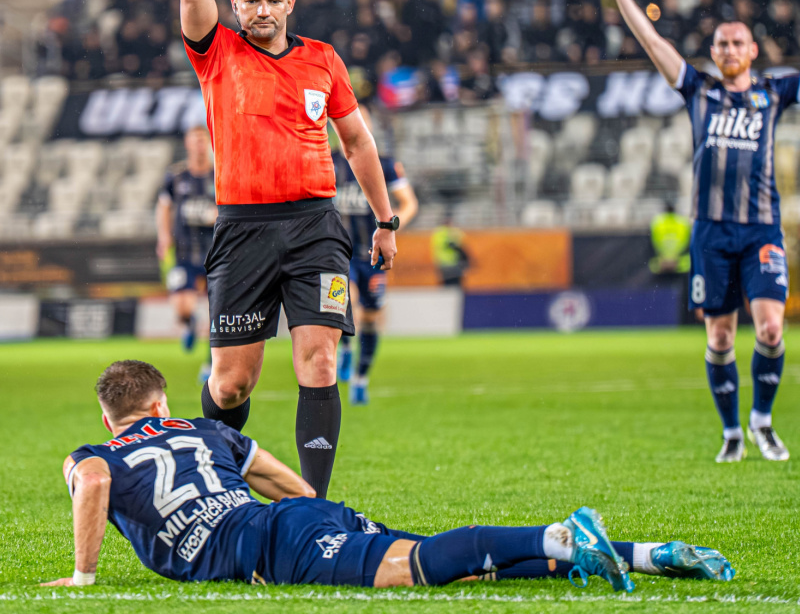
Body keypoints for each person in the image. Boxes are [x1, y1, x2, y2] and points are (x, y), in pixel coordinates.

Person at [43, 360, 735, 591]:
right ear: (162, 404)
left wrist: (83, 577)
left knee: (417, 569)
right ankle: (641, 557)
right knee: (462, 568)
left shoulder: (95, 453)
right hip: (289, 521)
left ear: (112, 421)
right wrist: (318, 519)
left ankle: (559, 538)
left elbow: (95, 485)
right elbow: (296, 486)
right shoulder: (204, 429)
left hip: (266, 547)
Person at [178, 0, 398, 499]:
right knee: (231, 385)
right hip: (243, 229)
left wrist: (384, 221)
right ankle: (221, 489)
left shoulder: (322, 61)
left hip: (315, 227)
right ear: (237, 4)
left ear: (290, 2)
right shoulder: (217, 52)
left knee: (320, 360)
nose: (265, 9)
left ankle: (314, 509)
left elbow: (356, 140)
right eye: (253, 0)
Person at [599, 0, 792, 463]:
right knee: (722, 337)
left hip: (760, 230)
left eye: (737, 43)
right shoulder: (699, 91)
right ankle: (732, 431)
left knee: (772, 327)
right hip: (710, 231)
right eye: (721, 44)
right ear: (714, 53)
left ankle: (763, 420)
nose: (729, 50)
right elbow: (652, 40)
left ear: (753, 51)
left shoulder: (775, 94)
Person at [333, 107, 419, 404]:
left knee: (372, 318)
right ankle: (344, 346)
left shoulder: (385, 165)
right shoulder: (328, 162)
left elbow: (408, 204)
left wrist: (390, 228)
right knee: (347, 301)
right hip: (337, 252)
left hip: (371, 253)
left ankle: (360, 378)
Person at [156, 126, 217, 367]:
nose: (200, 146)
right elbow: (163, 206)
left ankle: (211, 362)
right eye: (195, 141)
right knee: (181, 306)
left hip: (215, 252)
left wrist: (218, 215)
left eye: (203, 141)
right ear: (187, 144)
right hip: (184, 252)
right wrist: (163, 236)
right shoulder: (176, 176)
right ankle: (190, 323)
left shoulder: (219, 174)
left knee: (218, 312)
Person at [649, 202, 691, 275]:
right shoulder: (683, 222)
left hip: (663, 263)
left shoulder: (657, 222)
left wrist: (663, 258)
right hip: (680, 264)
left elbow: (652, 243)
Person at [431, 213, 470, 287]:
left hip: (454, 263)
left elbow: (461, 246)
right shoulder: (441, 232)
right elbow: (454, 245)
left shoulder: (449, 231)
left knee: (453, 284)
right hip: (447, 263)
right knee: (451, 284)